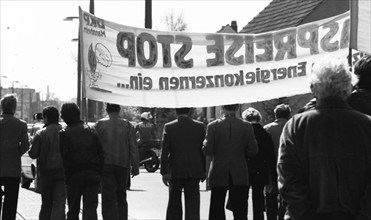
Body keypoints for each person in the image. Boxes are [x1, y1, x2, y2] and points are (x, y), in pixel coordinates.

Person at [278, 57, 371, 220]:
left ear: (314, 89)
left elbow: (289, 181)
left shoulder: (296, 126)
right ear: (348, 88)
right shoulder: (366, 125)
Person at [203, 104, 258, 220]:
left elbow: (208, 150)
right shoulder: (247, 126)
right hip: (239, 170)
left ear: (222, 108)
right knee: (240, 208)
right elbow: (253, 151)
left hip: (219, 169)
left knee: (216, 206)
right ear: (237, 108)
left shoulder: (213, 126)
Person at [59, 102, 104, 220]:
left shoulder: (64, 134)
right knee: (90, 208)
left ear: (66, 116)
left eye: (62, 115)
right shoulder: (91, 130)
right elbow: (101, 153)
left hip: (73, 175)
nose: (62, 117)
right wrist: (99, 172)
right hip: (92, 174)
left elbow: (62, 156)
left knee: (73, 209)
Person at [95, 103, 140, 220]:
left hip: (106, 165)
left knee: (107, 198)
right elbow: (133, 147)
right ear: (119, 110)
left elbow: (94, 147)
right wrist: (135, 166)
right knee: (121, 196)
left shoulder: (99, 124)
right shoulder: (127, 125)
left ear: (107, 110)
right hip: (123, 164)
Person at [160, 108, 206, 220]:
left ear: (176, 112)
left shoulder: (169, 127)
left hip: (175, 170)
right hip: (194, 170)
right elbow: (203, 151)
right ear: (190, 112)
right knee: (193, 204)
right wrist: (204, 170)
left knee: (174, 203)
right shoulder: (200, 126)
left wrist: (164, 171)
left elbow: (164, 151)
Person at [28, 106, 65, 220]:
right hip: (62, 173)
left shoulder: (40, 133)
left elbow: (33, 154)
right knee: (59, 204)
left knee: (46, 204)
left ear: (46, 118)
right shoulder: (65, 132)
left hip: (46, 174)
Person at [240, 107, 276, 220]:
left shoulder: (243, 133)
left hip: (245, 168)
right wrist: (273, 174)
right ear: (259, 118)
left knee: (242, 198)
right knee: (259, 199)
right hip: (261, 168)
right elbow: (271, 155)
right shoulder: (265, 133)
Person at [0, 94, 30, 220]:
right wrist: (14, 151)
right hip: (13, 170)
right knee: (11, 204)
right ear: (14, 107)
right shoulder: (21, 125)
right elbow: (25, 147)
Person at [263, 104, 291, 220]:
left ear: (276, 114)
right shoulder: (293, 127)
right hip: (289, 168)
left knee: (270, 197)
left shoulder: (267, 128)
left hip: (271, 167)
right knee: (287, 197)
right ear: (289, 114)